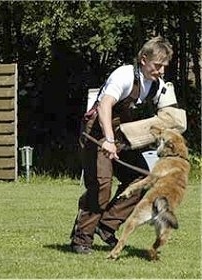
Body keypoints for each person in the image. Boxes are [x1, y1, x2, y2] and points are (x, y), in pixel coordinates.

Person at [70, 36, 187, 254]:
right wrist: (109, 140)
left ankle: (106, 226)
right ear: (144, 59)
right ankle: (81, 238)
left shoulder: (157, 85)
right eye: (157, 65)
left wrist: (174, 119)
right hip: (96, 134)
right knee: (101, 186)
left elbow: (172, 114)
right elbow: (105, 106)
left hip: (120, 137)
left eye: (164, 66)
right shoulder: (123, 75)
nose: (161, 71)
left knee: (143, 177)